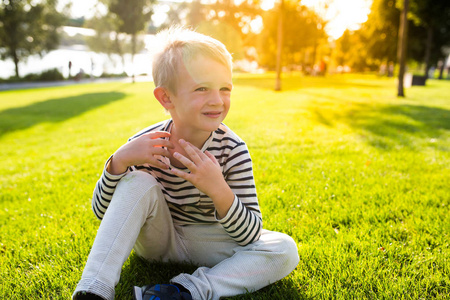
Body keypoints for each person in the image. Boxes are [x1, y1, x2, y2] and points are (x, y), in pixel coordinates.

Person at [72, 26, 299, 300]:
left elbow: (250, 235)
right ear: (166, 97)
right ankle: (94, 289)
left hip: (208, 243)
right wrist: (119, 162)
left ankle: (184, 291)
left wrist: (218, 189)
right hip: (157, 242)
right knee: (139, 180)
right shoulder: (144, 146)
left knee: (283, 249)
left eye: (225, 88)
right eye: (202, 88)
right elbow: (101, 212)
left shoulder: (232, 149)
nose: (217, 100)